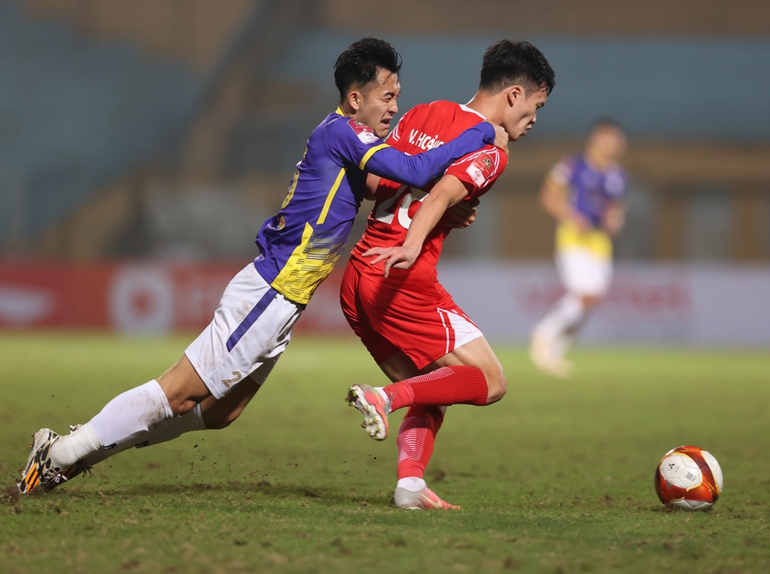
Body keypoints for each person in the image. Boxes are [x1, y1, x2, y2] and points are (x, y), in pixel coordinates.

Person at [17, 38, 507, 494]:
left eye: (397, 96)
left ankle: (79, 451)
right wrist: (482, 133)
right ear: (356, 98)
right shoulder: (344, 133)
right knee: (179, 392)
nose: (395, 107)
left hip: (284, 298)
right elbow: (417, 169)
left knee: (222, 412)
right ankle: (63, 453)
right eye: (387, 96)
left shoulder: (351, 140)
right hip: (271, 289)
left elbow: (394, 186)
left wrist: (451, 207)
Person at [340, 40, 555, 509]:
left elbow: (377, 185)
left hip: (359, 274)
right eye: (537, 106)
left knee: (435, 388)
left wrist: (443, 216)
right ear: (514, 95)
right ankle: (383, 398)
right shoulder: (492, 149)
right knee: (490, 381)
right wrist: (413, 243)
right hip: (400, 277)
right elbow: (438, 196)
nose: (535, 119)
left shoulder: (423, 112)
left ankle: (410, 487)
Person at [529, 118, 627, 378]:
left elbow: (614, 208)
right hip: (573, 237)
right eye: (609, 139)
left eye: (617, 141)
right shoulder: (572, 165)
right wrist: (571, 216)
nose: (614, 145)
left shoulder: (617, 175)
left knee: (591, 299)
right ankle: (544, 333)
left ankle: (555, 353)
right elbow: (548, 196)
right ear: (596, 139)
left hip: (600, 242)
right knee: (585, 294)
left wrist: (615, 219)